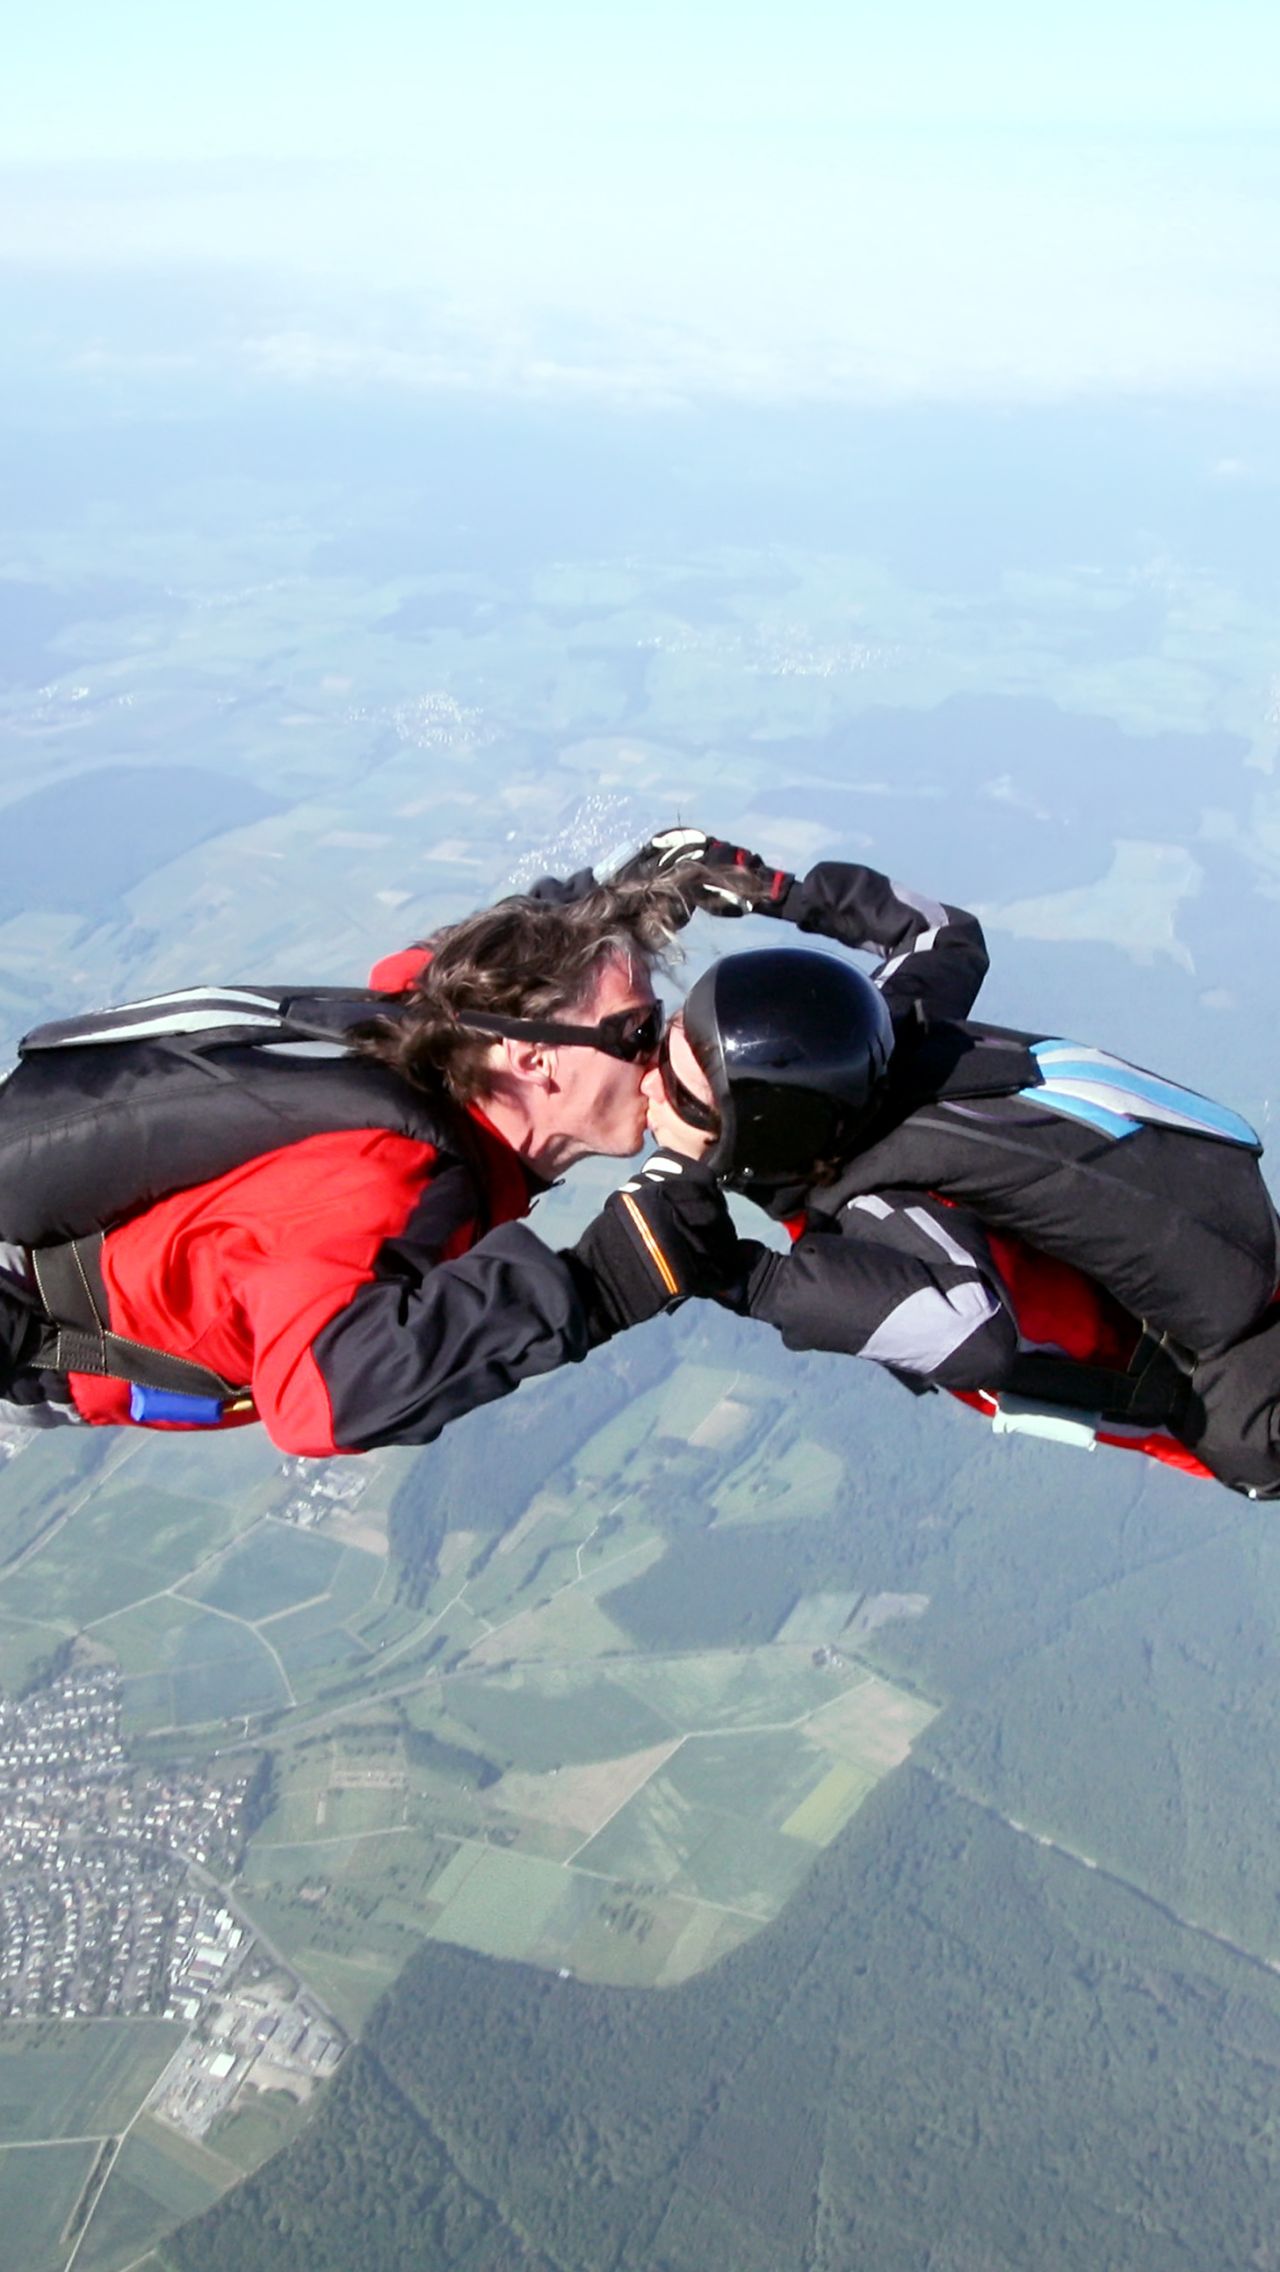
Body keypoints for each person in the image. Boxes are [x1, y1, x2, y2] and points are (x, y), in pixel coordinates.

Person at [631, 830, 1280, 1497]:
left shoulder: (878, 1201)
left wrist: (739, 1276)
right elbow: (944, 933)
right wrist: (771, 888)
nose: (649, 1081)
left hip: (1246, 1389)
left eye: (681, 1089)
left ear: (762, 1134)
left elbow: (973, 1334)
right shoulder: (884, 1035)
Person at [0, 869, 738, 1454]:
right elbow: (320, 1399)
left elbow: (442, 962)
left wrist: (633, 893)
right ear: (531, 1056)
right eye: (638, 1031)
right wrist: (601, 1281)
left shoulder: (430, 1023)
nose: (658, 1058)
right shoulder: (387, 1175)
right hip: (35, 1340)